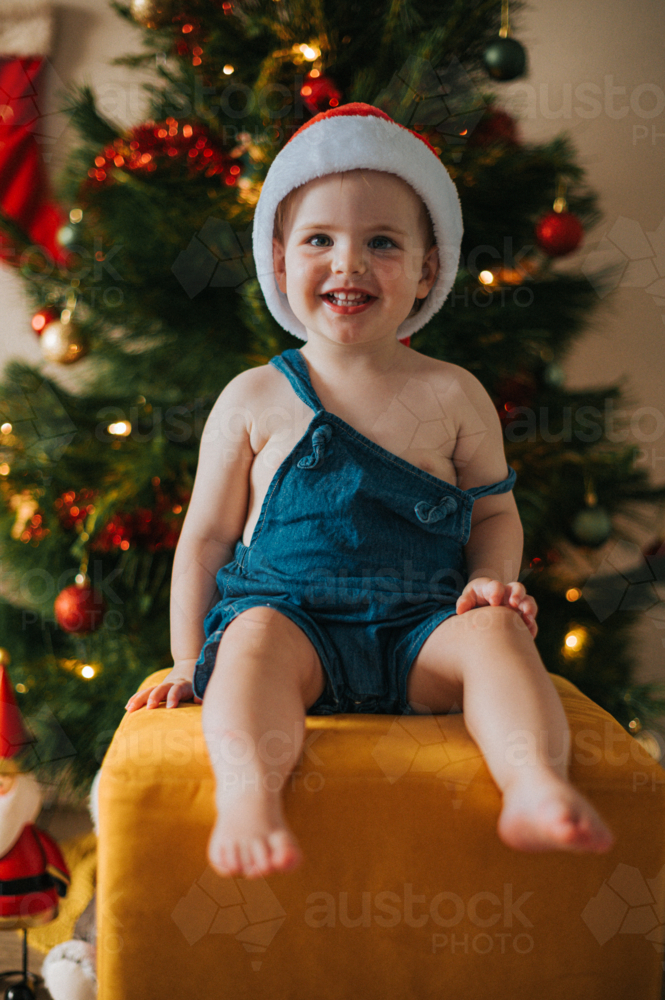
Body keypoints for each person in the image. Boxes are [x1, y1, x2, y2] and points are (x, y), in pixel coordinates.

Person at [125, 103, 614, 878]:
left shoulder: (454, 394)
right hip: (292, 623)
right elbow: (207, 540)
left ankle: (531, 784)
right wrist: (187, 661)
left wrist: (489, 583)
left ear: (426, 269)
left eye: (382, 242)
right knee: (247, 642)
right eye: (319, 239)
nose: (348, 263)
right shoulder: (252, 397)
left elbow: (492, 512)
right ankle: (249, 798)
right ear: (278, 261)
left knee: (497, 635)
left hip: (421, 626)